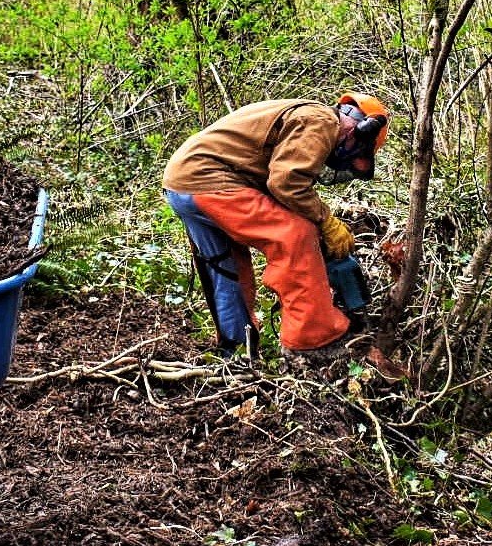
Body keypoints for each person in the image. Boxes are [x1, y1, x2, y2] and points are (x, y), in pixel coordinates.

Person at [162, 93, 390, 362]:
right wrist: (325, 221)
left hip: (182, 183)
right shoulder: (323, 122)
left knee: (226, 266)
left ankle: (235, 351)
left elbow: (279, 181)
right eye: (359, 150)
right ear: (359, 129)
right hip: (211, 180)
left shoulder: (308, 117)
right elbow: (287, 184)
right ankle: (310, 341)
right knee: (295, 234)